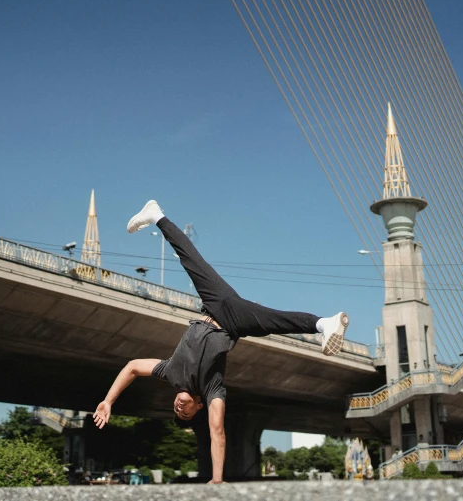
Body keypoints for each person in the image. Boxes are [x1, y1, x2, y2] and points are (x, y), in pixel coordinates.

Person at [93, 200, 349, 483]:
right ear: (198, 407)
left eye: (177, 410)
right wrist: (217, 479)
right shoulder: (212, 389)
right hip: (233, 323)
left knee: (190, 258)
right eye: (186, 413)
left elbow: (131, 367)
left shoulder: (169, 372)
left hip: (213, 306)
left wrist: (108, 400)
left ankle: (157, 215)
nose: (180, 408)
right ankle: (324, 323)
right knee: (274, 321)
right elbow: (217, 432)